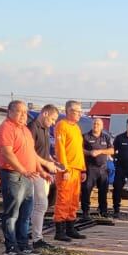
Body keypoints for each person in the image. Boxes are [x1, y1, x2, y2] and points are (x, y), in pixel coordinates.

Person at [0, 100, 39, 255]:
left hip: (28, 177)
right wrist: (23, 170)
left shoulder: (25, 130)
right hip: (14, 175)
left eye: (25, 112)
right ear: (10, 111)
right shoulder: (6, 128)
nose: (23, 115)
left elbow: (32, 154)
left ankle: (23, 244)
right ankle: (11, 247)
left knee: (25, 213)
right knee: (12, 214)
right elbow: (7, 153)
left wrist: (41, 169)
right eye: (19, 112)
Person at [53, 100, 86, 241]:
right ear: (69, 111)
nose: (80, 114)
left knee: (73, 200)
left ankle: (70, 228)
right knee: (63, 199)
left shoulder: (76, 127)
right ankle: (59, 231)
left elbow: (79, 150)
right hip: (67, 169)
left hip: (77, 169)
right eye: (77, 111)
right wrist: (64, 168)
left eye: (80, 111)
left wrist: (83, 170)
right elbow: (60, 149)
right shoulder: (62, 125)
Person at [28, 104, 59, 245]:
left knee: (41, 206)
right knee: (40, 204)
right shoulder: (33, 127)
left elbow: (43, 152)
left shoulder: (45, 129)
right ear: (45, 113)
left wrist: (52, 161)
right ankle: (36, 238)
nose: (53, 123)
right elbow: (30, 153)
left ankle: (36, 236)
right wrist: (45, 164)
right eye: (52, 119)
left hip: (44, 172)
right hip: (35, 171)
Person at [82, 116, 114, 219]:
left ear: (102, 127)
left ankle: (103, 211)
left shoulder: (106, 137)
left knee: (103, 191)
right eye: (94, 124)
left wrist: (100, 151)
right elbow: (80, 150)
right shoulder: (85, 136)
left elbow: (112, 150)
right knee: (87, 190)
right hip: (90, 168)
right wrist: (89, 152)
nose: (96, 125)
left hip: (103, 168)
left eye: (98, 124)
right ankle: (85, 211)